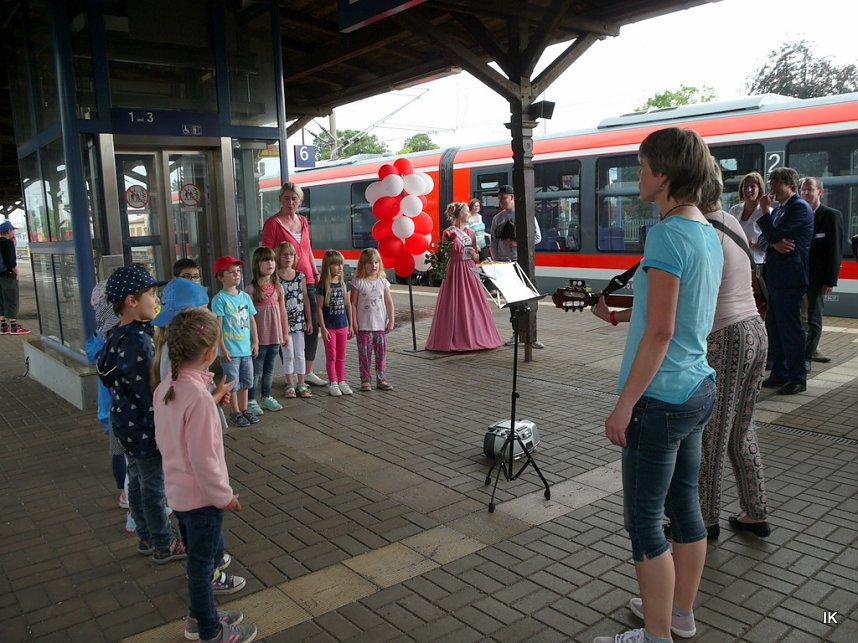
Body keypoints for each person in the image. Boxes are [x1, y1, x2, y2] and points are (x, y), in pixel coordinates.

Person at [591, 128, 722, 643]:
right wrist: (626, 315)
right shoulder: (705, 230)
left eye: (643, 167)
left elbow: (663, 330)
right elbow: (682, 317)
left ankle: (655, 635)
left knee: (646, 523)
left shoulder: (666, 234)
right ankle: (679, 615)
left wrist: (624, 406)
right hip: (697, 388)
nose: (637, 177)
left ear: (664, 175)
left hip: (661, 399)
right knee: (685, 506)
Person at [154, 309, 258, 643]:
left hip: (179, 495)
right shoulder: (197, 398)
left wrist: (212, 401)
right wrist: (224, 496)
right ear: (210, 354)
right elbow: (205, 459)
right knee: (201, 567)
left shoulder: (167, 388)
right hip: (202, 501)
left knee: (199, 563)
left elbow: (172, 440)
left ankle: (203, 616)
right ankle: (209, 631)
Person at [696, 158, 770, 540]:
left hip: (727, 337)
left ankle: (704, 520)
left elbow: (694, 301)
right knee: (741, 430)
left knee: (713, 433)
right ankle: (755, 512)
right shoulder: (729, 221)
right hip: (756, 333)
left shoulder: (705, 231)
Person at [97, 265, 187, 564]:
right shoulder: (137, 341)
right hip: (145, 427)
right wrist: (166, 424)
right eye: (150, 293)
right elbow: (149, 392)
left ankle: (147, 536)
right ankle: (163, 543)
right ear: (131, 301)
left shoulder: (118, 335)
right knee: (153, 486)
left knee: (135, 479)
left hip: (125, 424)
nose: (156, 298)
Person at [261, 183, 326, 388]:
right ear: (280, 199)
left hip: (306, 280)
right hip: (284, 283)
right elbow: (267, 255)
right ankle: (290, 373)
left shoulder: (303, 221)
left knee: (311, 323)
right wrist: (269, 281)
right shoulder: (272, 223)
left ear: (300, 201)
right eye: (287, 198)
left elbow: (307, 250)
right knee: (285, 326)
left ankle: (307, 372)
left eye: (294, 198)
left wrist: (315, 273)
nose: (291, 202)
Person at [758, 167, 814, 395]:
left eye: (775, 183)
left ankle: (797, 376)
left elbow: (769, 234)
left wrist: (764, 212)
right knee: (775, 325)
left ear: (790, 184)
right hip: (778, 276)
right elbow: (764, 239)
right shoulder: (782, 209)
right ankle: (780, 372)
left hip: (790, 276)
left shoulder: (799, 208)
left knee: (790, 328)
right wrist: (773, 243)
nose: (771, 188)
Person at [426, 202, 503, 352]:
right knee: (454, 302)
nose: (469, 214)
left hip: (469, 269)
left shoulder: (471, 233)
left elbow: (475, 254)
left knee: (473, 302)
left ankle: (476, 336)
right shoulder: (448, 232)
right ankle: (454, 337)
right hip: (454, 270)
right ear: (460, 214)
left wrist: (475, 254)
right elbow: (444, 254)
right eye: (467, 211)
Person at [88, 278, 133, 531]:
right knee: (126, 453)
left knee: (117, 449)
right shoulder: (118, 340)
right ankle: (127, 494)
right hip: (122, 405)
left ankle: (123, 490)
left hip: (109, 408)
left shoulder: (99, 339)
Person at [489, 184, 544, 348]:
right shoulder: (497, 218)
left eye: (504, 198)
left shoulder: (525, 215)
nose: (501, 202)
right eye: (499, 199)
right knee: (513, 302)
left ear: (512, 197)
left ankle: (531, 337)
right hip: (504, 265)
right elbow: (493, 242)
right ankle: (516, 333)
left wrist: (517, 243)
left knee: (527, 300)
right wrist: (497, 261)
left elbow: (537, 237)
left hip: (520, 264)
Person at [211, 256, 260, 427]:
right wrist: (222, 347)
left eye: (238, 271)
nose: (236, 275)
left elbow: (252, 320)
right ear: (220, 277)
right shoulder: (219, 299)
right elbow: (218, 326)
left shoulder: (245, 297)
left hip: (245, 349)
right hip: (230, 350)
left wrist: (256, 342)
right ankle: (235, 412)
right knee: (232, 383)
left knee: (246, 381)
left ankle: (245, 409)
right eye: (231, 272)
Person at [799, 177, 843, 364]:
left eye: (810, 189)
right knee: (800, 317)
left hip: (818, 277)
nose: (806, 193)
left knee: (814, 318)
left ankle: (808, 356)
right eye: (803, 190)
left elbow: (835, 250)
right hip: (799, 275)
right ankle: (802, 352)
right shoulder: (800, 214)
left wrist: (830, 280)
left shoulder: (831, 216)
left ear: (820, 192)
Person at [245, 247, 289, 414]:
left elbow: (283, 311)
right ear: (257, 264)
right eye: (265, 260)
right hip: (259, 338)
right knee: (256, 369)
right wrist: (252, 339)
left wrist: (285, 333)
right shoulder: (250, 289)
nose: (270, 263)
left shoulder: (278, 287)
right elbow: (248, 317)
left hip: (275, 336)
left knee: (270, 368)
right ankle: (250, 400)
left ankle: (266, 397)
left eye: (271, 260)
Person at [350, 248, 395, 391]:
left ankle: (381, 378)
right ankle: (365, 379)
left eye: (376, 262)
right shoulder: (358, 282)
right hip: (363, 327)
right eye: (370, 263)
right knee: (364, 355)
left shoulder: (383, 282)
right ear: (363, 265)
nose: (373, 266)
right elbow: (353, 304)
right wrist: (354, 323)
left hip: (380, 327)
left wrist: (391, 320)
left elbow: (389, 302)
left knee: (381, 355)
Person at [275, 241, 313, 399]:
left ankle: (301, 383)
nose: (288, 257)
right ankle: (290, 383)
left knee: (300, 353)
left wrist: (309, 320)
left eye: (291, 254)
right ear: (278, 257)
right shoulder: (275, 276)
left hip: (299, 322)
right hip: (284, 323)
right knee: (288, 353)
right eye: (285, 254)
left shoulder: (300, 276)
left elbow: (305, 298)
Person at [316, 250, 354, 397]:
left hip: (343, 326)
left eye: (341, 264)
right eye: (336, 265)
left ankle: (342, 380)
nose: (340, 268)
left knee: (341, 356)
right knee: (331, 356)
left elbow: (348, 305)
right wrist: (323, 329)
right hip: (330, 328)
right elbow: (319, 308)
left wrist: (350, 325)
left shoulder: (345, 285)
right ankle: (333, 382)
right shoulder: (322, 286)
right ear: (328, 266)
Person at [728, 172, 766, 270]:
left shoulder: (765, 211)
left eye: (752, 187)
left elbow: (769, 242)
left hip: (757, 263)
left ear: (759, 189)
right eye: (745, 187)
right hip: (735, 261)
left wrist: (751, 242)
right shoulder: (734, 210)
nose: (748, 190)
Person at [0, 220, 29, 335]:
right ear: (8, 231)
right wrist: (17, 272)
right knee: (11, 299)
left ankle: (3, 327)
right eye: (12, 230)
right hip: (7, 276)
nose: (13, 232)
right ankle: (14, 326)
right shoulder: (7, 243)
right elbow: (11, 263)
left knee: (1, 300)